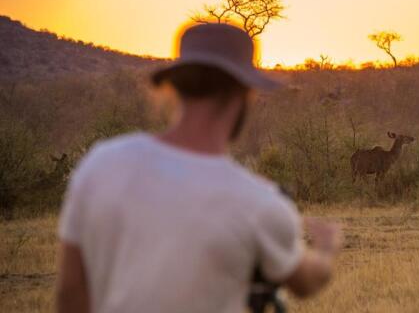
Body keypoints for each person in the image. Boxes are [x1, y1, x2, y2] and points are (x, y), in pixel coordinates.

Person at [55, 23, 342, 313]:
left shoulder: (101, 164)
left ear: (174, 88)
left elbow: (69, 294)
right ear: (244, 94)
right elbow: (305, 282)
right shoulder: (260, 203)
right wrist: (327, 248)